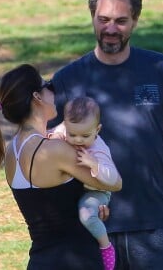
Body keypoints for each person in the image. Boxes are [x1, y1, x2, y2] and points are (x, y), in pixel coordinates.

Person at [49, 0, 163, 269]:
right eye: (103, 19)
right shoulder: (67, 79)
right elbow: (52, 154)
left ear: (135, 20)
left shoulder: (162, 69)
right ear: (92, 16)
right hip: (95, 227)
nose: (110, 29)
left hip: (158, 225)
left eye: (121, 21)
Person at [0, 64, 122, 270]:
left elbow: (53, 210)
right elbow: (114, 183)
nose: (52, 91)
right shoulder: (55, 150)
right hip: (77, 261)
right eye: (48, 85)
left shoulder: (11, 152)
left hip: (40, 262)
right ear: (37, 97)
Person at [49, 96, 120, 270]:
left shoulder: (98, 149)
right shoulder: (66, 129)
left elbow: (112, 179)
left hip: (97, 191)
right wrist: (56, 135)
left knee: (86, 214)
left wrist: (94, 164)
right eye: (72, 134)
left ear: (98, 129)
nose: (78, 140)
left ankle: (105, 246)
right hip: (76, 188)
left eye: (85, 135)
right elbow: (54, 133)